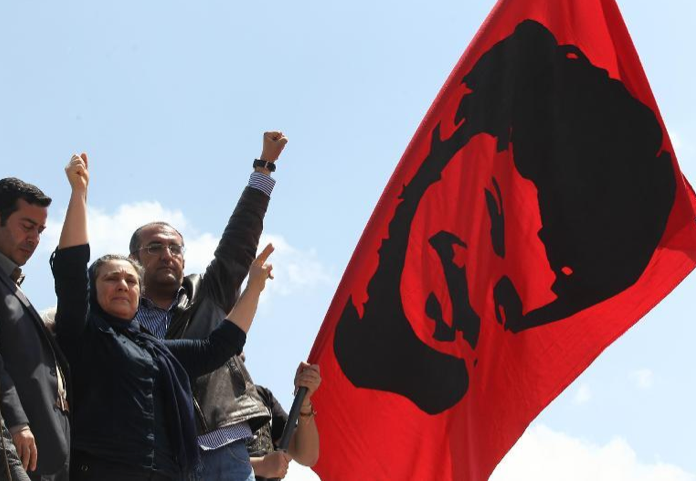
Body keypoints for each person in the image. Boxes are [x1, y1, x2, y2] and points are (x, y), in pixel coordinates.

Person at [51, 154, 274, 480]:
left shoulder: (156, 349)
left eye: (130, 281)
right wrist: (79, 194)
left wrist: (253, 288)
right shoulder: (85, 332)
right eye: (111, 278)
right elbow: (70, 270)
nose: (122, 285)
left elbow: (218, 347)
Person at [129, 131, 287, 480]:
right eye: (154, 248)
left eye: (175, 248)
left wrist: (264, 167)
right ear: (133, 260)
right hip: (153, 453)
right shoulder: (119, 316)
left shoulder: (207, 293)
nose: (167, 255)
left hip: (221, 450)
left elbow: (239, 241)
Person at [0, 178, 70, 480]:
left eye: (40, 231)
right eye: (27, 226)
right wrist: (17, 422)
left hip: (42, 460)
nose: (34, 239)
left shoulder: (12, 285)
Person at [247, 362, 321, 481]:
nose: (242, 355)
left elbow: (307, 456)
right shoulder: (213, 400)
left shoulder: (261, 396)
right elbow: (214, 463)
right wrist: (261, 465)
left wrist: (303, 402)